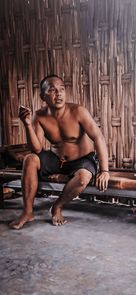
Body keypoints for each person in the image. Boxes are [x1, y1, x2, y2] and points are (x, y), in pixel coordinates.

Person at [9, 74, 110, 229]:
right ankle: (27, 212)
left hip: (82, 159)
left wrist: (104, 170)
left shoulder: (78, 111)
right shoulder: (40, 116)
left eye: (62, 89)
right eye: (52, 90)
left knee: (83, 178)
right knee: (30, 159)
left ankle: (57, 206)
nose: (59, 93)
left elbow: (99, 138)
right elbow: (36, 149)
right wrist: (28, 125)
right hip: (57, 159)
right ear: (43, 96)